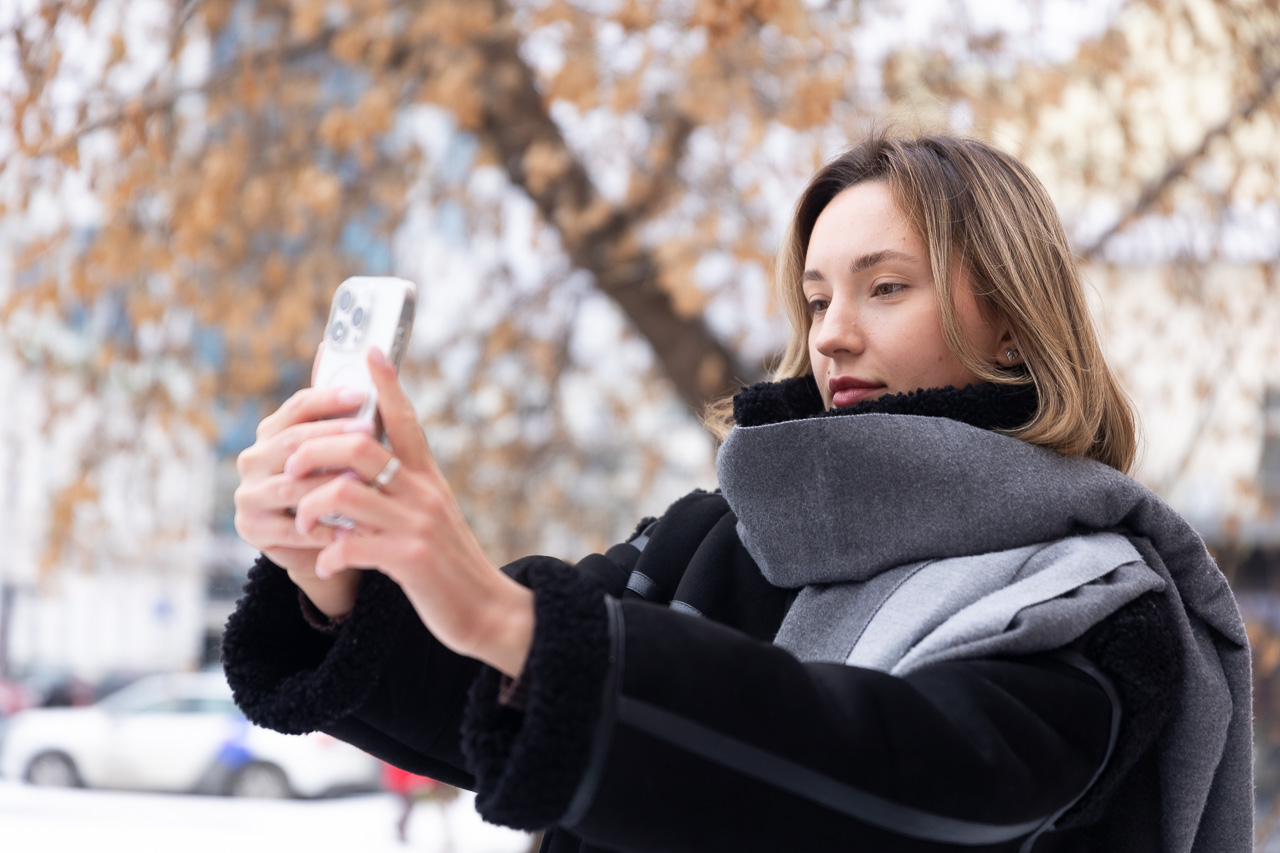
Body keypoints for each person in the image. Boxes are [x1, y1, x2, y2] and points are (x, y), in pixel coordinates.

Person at [223, 133, 1252, 852]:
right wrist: (339, 586)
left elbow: (902, 778)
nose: (831, 332)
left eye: (883, 286)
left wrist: (508, 613)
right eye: (814, 297)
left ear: (1015, 323)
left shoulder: (1090, 596)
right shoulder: (716, 535)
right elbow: (509, 703)